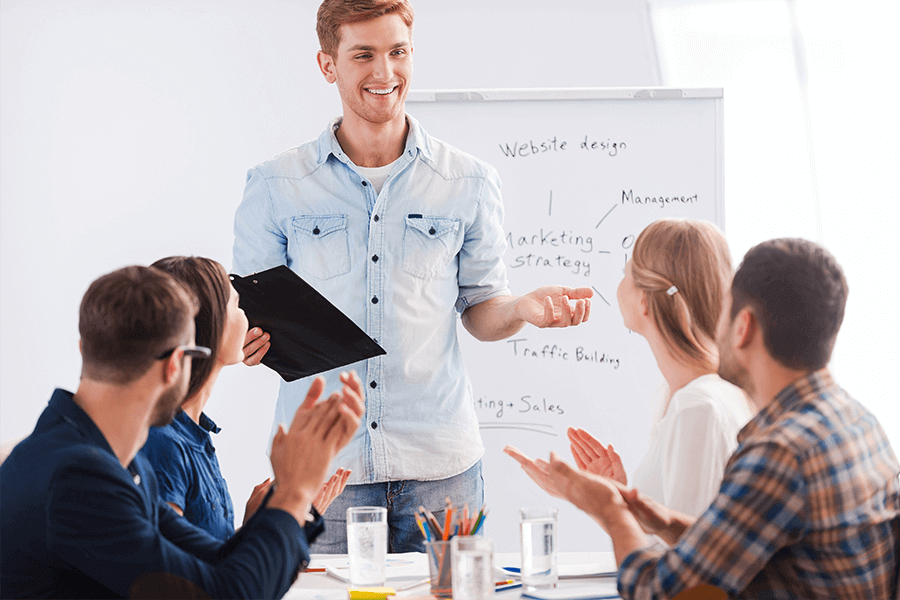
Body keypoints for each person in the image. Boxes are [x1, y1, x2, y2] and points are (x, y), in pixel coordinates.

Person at [232, 0, 592, 552]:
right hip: (327, 472)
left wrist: (519, 309)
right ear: (329, 65)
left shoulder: (468, 181)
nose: (384, 73)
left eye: (397, 52)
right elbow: (248, 317)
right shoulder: (275, 184)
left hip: (442, 471)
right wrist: (248, 343)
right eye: (363, 55)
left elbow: (480, 310)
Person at [543, 238, 900, 599]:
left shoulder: (779, 454)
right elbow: (743, 543)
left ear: (743, 326)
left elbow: (660, 593)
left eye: (723, 312)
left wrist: (609, 509)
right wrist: (664, 521)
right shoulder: (858, 421)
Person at [0, 266, 364, 599]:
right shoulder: (79, 478)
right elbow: (226, 595)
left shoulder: (100, 460)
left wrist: (292, 502)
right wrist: (293, 490)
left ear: (86, 347)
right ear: (176, 365)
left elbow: (217, 562)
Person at [506, 218, 754, 518]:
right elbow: (669, 528)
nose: (618, 285)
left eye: (626, 273)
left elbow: (685, 557)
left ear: (645, 300)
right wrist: (615, 493)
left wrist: (598, 501)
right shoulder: (687, 395)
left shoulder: (698, 408)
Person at [141, 256, 350, 540]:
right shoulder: (162, 443)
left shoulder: (193, 435)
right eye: (238, 304)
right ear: (212, 325)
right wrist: (282, 513)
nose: (248, 315)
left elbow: (205, 556)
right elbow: (174, 576)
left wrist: (271, 520)